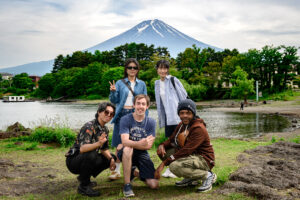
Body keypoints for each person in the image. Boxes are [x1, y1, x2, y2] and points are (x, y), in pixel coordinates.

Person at [155, 99, 216, 193]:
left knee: (174, 167)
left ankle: (208, 176)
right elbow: (172, 140)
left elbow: (186, 150)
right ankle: (191, 178)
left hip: (203, 159)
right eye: (182, 113)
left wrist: (164, 163)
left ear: (193, 113)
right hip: (191, 156)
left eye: (188, 113)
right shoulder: (181, 125)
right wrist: (162, 145)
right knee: (163, 152)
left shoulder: (198, 128)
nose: (184, 116)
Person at [65, 102, 117, 197]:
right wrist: (98, 143)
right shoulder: (89, 126)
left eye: (112, 114)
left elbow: (104, 149)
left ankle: (84, 178)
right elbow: (83, 148)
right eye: (106, 112)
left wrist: (111, 159)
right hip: (73, 161)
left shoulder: (104, 129)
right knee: (91, 154)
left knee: (111, 157)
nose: (109, 115)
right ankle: (83, 187)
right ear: (99, 112)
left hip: (87, 157)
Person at [109, 58, 147, 180]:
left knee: (135, 141)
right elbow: (114, 100)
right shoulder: (120, 83)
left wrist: (146, 117)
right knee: (119, 143)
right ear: (126, 69)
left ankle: (132, 168)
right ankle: (116, 171)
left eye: (134, 68)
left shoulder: (142, 84)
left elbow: (145, 101)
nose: (132, 70)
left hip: (135, 114)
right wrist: (113, 92)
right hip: (122, 113)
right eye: (130, 67)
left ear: (137, 70)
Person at [118, 94, 159, 197]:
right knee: (127, 149)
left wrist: (133, 143)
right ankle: (127, 185)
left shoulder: (151, 122)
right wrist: (140, 143)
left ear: (147, 106)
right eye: (138, 103)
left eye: (143, 104)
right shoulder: (125, 119)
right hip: (126, 152)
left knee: (154, 185)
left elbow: (148, 146)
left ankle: (133, 172)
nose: (140, 106)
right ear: (133, 105)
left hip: (142, 153)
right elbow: (124, 142)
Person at [154, 59, 188, 178]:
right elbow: (159, 103)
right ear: (157, 69)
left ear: (168, 69)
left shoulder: (174, 80)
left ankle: (178, 169)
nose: (163, 70)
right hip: (167, 118)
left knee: (180, 143)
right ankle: (170, 167)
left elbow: (183, 96)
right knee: (170, 143)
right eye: (160, 68)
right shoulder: (156, 83)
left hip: (178, 117)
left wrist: (184, 115)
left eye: (165, 68)